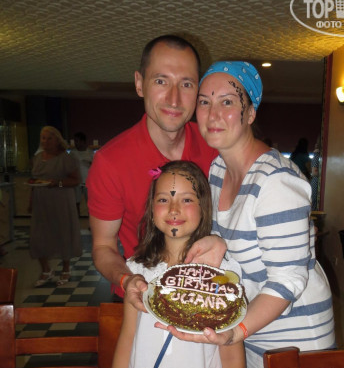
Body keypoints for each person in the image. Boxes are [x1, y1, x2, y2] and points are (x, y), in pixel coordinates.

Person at [154, 62, 335, 368]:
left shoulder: (276, 180)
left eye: (227, 102)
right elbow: (234, 234)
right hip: (249, 327)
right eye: (204, 102)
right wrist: (218, 243)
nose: (213, 114)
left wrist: (234, 332)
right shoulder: (218, 170)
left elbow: (287, 281)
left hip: (292, 336)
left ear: (250, 112)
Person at [106, 160, 246, 368]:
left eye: (186, 199)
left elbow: (232, 356)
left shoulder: (221, 276)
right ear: (151, 208)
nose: (173, 209)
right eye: (163, 199)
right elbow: (127, 338)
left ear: (204, 207)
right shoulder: (137, 273)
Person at [86, 35, 221, 301]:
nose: (174, 99)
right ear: (139, 84)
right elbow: (103, 246)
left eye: (186, 84)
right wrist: (127, 279)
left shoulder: (216, 149)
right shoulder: (110, 162)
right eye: (161, 81)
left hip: (206, 295)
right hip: (139, 297)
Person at [30, 126, 82, 286]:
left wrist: (57, 183)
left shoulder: (66, 158)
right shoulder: (37, 158)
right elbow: (34, 181)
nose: (45, 141)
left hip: (60, 200)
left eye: (49, 138)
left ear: (57, 140)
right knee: (38, 235)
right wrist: (30, 201)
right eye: (43, 138)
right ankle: (46, 269)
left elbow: (76, 180)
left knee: (62, 233)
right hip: (41, 200)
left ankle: (66, 269)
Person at [70, 131, 94, 216]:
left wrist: (90, 164)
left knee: (90, 203)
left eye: (77, 141)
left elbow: (95, 167)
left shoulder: (90, 153)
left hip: (88, 182)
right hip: (77, 181)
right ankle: (77, 217)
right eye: (75, 141)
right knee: (76, 201)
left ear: (83, 141)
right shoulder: (73, 153)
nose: (75, 143)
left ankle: (91, 219)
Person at [311, 137, 321, 211]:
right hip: (317, 180)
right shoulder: (318, 155)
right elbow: (315, 172)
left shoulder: (316, 155)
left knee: (313, 200)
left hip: (315, 180)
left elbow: (314, 172)